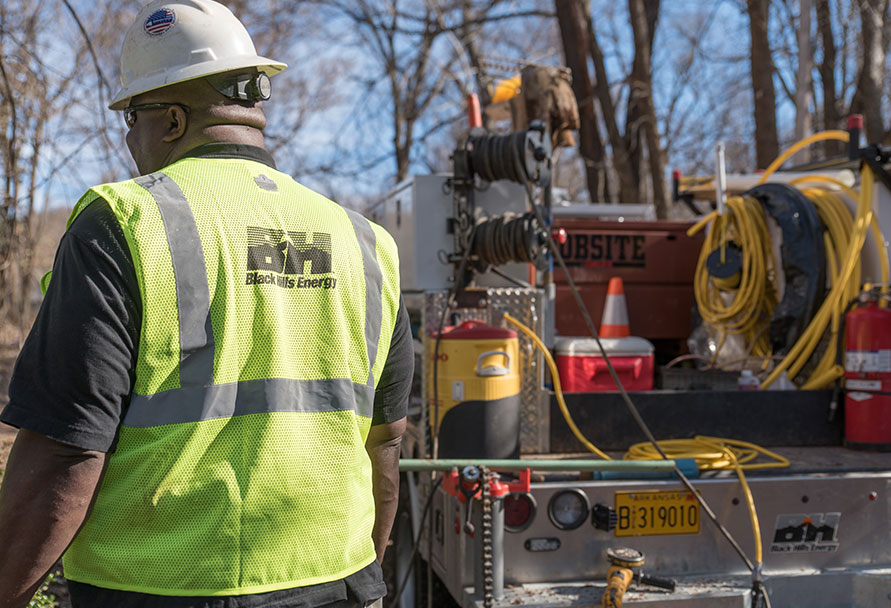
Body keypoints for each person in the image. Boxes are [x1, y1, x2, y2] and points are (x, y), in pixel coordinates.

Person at [0, 1, 412, 607]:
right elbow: (387, 442)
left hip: (161, 588)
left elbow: (68, 446)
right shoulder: (366, 242)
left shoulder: (124, 222)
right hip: (341, 583)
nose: (129, 138)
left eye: (131, 118)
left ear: (168, 119)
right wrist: (365, 576)